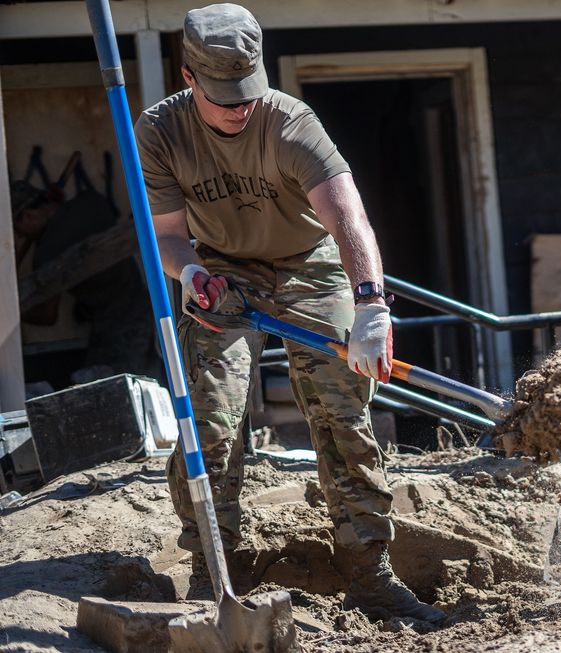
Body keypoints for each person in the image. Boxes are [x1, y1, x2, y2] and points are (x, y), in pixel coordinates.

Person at [134, 3, 443, 622]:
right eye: (224, 98)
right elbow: (167, 235)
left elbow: (347, 217)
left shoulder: (290, 122)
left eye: (247, 92)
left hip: (309, 265)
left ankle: (368, 574)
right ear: (189, 77)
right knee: (211, 422)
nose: (240, 108)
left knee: (341, 412)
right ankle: (213, 567)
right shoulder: (160, 130)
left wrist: (371, 306)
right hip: (219, 272)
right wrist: (191, 274)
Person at [11, 179, 158, 382]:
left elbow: (48, 316)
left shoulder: (46, 254)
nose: (20, 236)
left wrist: (12, 311)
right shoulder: (90, 200)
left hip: (117, 323)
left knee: (110, 385)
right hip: (147, 299)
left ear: (28, 216)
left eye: (17, 230)